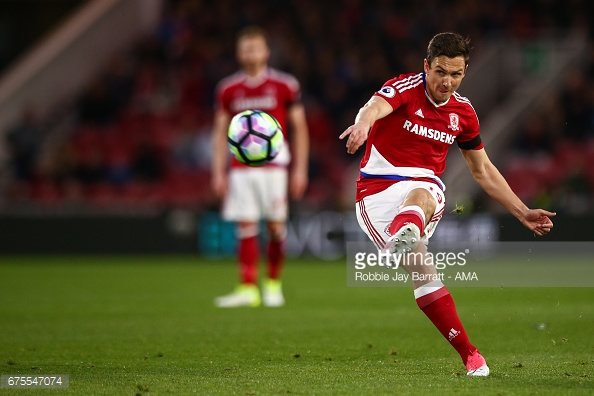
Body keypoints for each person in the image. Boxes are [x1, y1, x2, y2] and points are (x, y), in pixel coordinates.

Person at [339, 32, 555, 376]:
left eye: (456, 74)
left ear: (465, 72)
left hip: (422, 193)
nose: (447, 82)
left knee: (423, 193)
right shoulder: (406, 88)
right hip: (376, 193)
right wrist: (363, 124)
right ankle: (404, 234)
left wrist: (522, 210)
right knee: (424, 273)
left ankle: (472, 356)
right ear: (426, 66)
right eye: (440, 72)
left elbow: (482, 170)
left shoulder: (464, 113)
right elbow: (375, 106)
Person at [211, 26, 309, 308]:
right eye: (245, 48)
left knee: (276, 227)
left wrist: (300, 170)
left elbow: (300, 128)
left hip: (276, 165)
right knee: (246, 225)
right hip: (241, 168)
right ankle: (248, 288)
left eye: (255, 48)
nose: (250, 53)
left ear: (266, 52)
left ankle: (273, 284)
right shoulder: (228, 89)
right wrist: (218, 172)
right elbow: (219, 132)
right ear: (238, 53)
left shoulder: (285, 85)